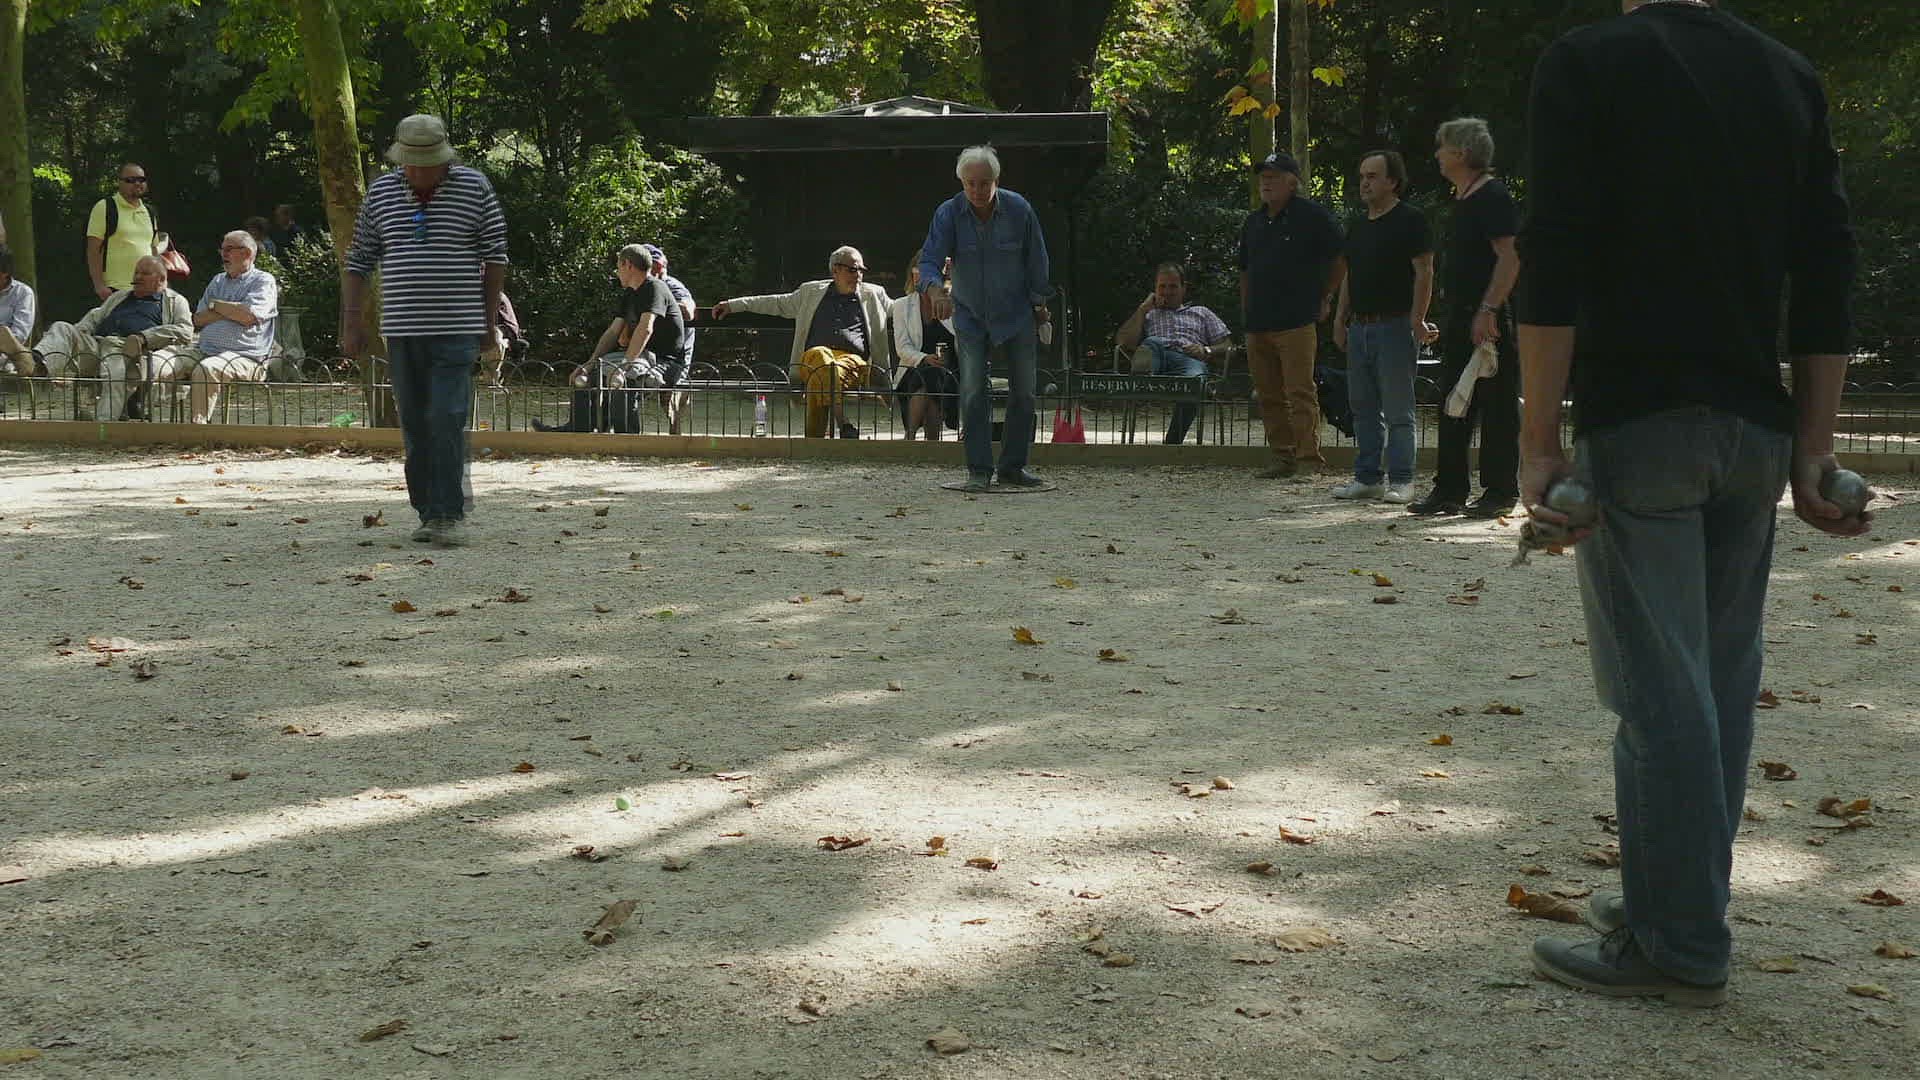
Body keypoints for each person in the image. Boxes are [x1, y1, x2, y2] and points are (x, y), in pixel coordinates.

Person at [1518, 0, 1863, 1007]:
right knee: (1715, 683)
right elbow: (1828, 262)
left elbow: (1555, 253)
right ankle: (1678, 899)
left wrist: (1538, 442)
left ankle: (1676, 944)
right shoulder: (1787, 73)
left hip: (1642, 418)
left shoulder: (1587, 60)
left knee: (1657, 693)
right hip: (1754, 427)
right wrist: (1814, 446)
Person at [343, 113, 510, 548]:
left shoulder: (475, 187)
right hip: (402, 329)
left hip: (457, 326)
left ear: (444, 159)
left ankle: (448, 513)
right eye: (412, 164)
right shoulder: (381, 192)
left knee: (447, 416)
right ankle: (427, 510)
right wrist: (352, 323)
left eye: (428, 164)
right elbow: (358, 261)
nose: (419, 172)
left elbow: (495, 257)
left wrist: (489, 325)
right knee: (416, 423)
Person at [919, 145, 1053, 491]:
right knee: (973, 391)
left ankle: (1012, 468)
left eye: (984, 183)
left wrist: (1039, 305)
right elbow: (929, 260)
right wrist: (935, 291)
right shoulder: (948, 213)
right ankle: (978, 470)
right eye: (970, 183)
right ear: (961, 182)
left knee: (1024, 392)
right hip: (970, 314)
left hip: (1017, 312)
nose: (977, 190)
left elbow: (1037, 261)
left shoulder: (1020, 210)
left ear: (997, 180)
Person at [1410, 118, 1522, 518]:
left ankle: (1501, 490)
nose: (1437, 155)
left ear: (1461, 152)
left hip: (1487, 317)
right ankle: (1449, 488)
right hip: (1461, 316)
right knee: (1453, 401)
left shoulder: (1493, 196)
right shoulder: (1463, 198)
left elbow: (1510, 257)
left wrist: (1488, 310)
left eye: (1442, 147)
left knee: (1497, 405)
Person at [1332, 151, 1436, 504]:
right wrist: (1340, 318)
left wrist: (1417, 318)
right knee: (1362, 408)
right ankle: (1368, 478)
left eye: (1373, 176)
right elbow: (1349, 275)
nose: (1365, 183)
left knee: (1397, 410)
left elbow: (1425, 271)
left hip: (1395, 325)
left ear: (1393, 181)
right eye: (1362, 175)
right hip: (1360, 327)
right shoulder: (1358, 225)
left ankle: (1403, 479)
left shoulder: (1411, 220)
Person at [1239, 151, 1346, 476]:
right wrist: (1246, 309)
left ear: (1292, 182)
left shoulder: (1312, 216)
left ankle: (1309, 459)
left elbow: (1341, 258)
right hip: (1258, 322)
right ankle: (1282, 457)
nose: (1266, 182)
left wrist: (1326, 296)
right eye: (1263, 176)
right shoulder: (1253, 221)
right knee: (1268, 395)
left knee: (1300, 391)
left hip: (1296, 320)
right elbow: (1244, 270)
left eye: (1273, 176)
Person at [713, 246, 891, 439]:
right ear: (835, 270)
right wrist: (733, 305)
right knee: (821, 357)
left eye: (861, 270)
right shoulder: (811, 292)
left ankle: (814, 441)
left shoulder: (874, 294)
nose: (858, 275)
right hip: (812, 359)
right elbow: (775, 302)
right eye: (853, 269)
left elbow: (901, 308)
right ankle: (843, 423)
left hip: (852, 363)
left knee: (819, 376)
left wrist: (917, 291)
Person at [534, 244, 688, 434]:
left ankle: (626, 438)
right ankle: (578, 430)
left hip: (665, 362)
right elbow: (613, 331)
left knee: (625, 379)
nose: (617, 272)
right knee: (585, 377)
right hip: (640, 357)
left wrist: (624, 366)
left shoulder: (655, 287)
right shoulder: (630, 293)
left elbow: (645, 328)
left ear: (628, 264)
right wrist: (590, 362)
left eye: (618, 266)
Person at [33, 255, 193, 420]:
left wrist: (144, 337)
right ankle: (38, 366)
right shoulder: (121, 296)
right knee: (62, 327)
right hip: (97, 345)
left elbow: (185, 330)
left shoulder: (175, 301)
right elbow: (95, 316)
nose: (138, 276)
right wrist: (82, 330)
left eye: (145, 273)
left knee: (114, 375)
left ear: (161, 279)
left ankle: (103, 425)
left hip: (127, 350)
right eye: (136, 272)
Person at [142, 231, 279, 424]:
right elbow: (198, 319)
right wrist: (233, 309)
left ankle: (198, 428)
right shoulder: (218, 280)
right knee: (157, 361)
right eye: (222, 249)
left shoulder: (263, 281)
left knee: (207, 369)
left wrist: (216, 305)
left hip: (245, 356)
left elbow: (248, 317)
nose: (223, 254)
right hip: (203, 350)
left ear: (247, 253)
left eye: (229, 249)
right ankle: (136, 416)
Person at [1115, 261, 1233, 445]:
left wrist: (1206, 349)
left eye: (1173, 286)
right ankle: (1143, 376)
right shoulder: (1148, 313)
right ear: (1155, 289)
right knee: (1152, 343)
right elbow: (1123, 342)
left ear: (1184, 288)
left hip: (1188, 359)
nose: (1167, 292)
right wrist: (1142, 309)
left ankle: (1172, 444)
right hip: (1156, 356)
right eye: (1162, 287)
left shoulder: (1201, 312)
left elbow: (1228, 346)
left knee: (1194, 384)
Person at [889, 252, 960, 440]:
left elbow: (962, 337)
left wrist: (946, 293)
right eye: (918, 272)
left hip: (949, 372)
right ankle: (930, 440)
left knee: (933, 378)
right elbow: (902, 347)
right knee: (927, 377)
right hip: (914, 369)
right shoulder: (901, 305)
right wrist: (924, 358)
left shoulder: (954, 304)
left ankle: (910, 437)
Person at [642, 243, 695, 433]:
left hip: (675, 356)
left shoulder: (672, 285)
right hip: (654, 352)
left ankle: (675, 435)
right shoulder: (642, 287)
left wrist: (660, 305)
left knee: (668, 395)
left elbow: (689, 311)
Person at [86, 163, 158, 300]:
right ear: (119, 182)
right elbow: (93, 250)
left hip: (147, 290)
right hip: (115, 290)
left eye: (141, 179)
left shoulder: (149, 212)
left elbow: (153, 249)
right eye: (131, 180)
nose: (137, 183)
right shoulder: (105, 207)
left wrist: (160, 282)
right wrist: (99, 285)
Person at [0, 244, 37, 376]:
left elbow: (19, 335)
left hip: (7, 359)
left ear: (5, 273)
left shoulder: (23, 293)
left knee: (4, 334)